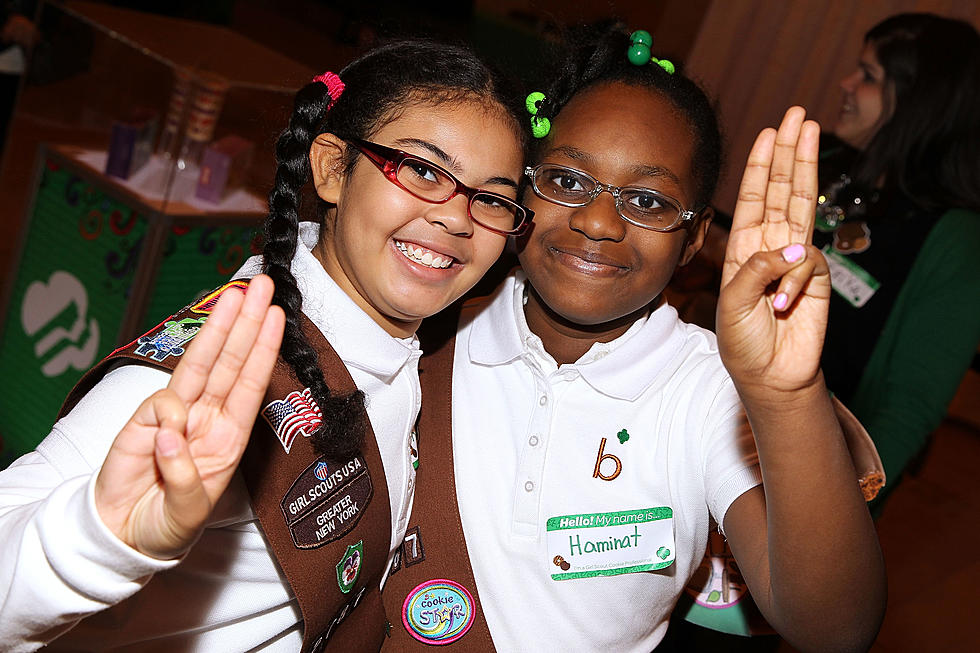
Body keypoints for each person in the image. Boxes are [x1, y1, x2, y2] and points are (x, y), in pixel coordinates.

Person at [0, 39, 532, 651]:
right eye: (422, 171)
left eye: (491, 197)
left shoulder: (408, 342)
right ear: (333, 168)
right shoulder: (219, 375)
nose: (457, 218)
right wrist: (98, 540)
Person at [379, 26, 886, 652]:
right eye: (566, 181)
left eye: (646, 200)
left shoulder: (705, 393)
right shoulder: (431, 325)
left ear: (694, 239)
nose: (597, 221)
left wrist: (784, 395)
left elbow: (835, 630)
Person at [813, 12, 980, 510]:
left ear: (916, 104)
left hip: (821, 473)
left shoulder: (956, 238)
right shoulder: (832, 166)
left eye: (868, 76)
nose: (846, 83)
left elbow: (909, 407)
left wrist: (837, 510)